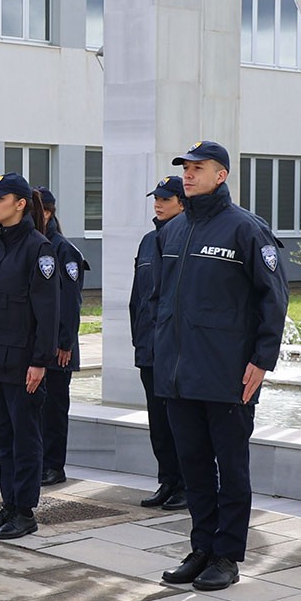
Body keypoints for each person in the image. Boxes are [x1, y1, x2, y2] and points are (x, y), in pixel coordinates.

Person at [151, 140, 288, 591]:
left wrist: (261, 360)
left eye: (198, 168)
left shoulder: (245, 229)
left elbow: (274, 298)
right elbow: (160, 303)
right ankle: (202, 547)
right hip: (178, 374)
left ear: (221, 175)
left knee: (230, 468)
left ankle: (227, 555)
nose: (188, 175)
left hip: (228, 374)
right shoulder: (172, 231)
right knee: (193, 468)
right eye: (185, 168)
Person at [0, 174, 59, 540]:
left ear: (20, 204)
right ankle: (9, 503)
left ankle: (25, 510)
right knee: (4, 439)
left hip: (22, 365)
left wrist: (40, 361)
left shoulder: (39, 249)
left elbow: (47, 312)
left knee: (25, 439)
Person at [130, 176, 187, 511]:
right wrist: (140, 341)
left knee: (181, 424)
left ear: (181, 201)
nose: (158, 204)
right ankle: (168, 481)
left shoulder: (188, 237)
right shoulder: (148, 241)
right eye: (157, 199)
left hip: (177, 352)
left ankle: (188, 485)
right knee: (159, 424)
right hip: (150, 349)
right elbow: (138, 297)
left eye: (166, 199)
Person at [34, 186, 88, 486]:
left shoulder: (63, 249)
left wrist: (65, 342)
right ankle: (39, 461)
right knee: (38, 409)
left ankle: (54, 465)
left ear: (47, 212)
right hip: (38, 345)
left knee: (54, 409)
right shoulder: (35, 244)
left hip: (58, 348)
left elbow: (70, 301)